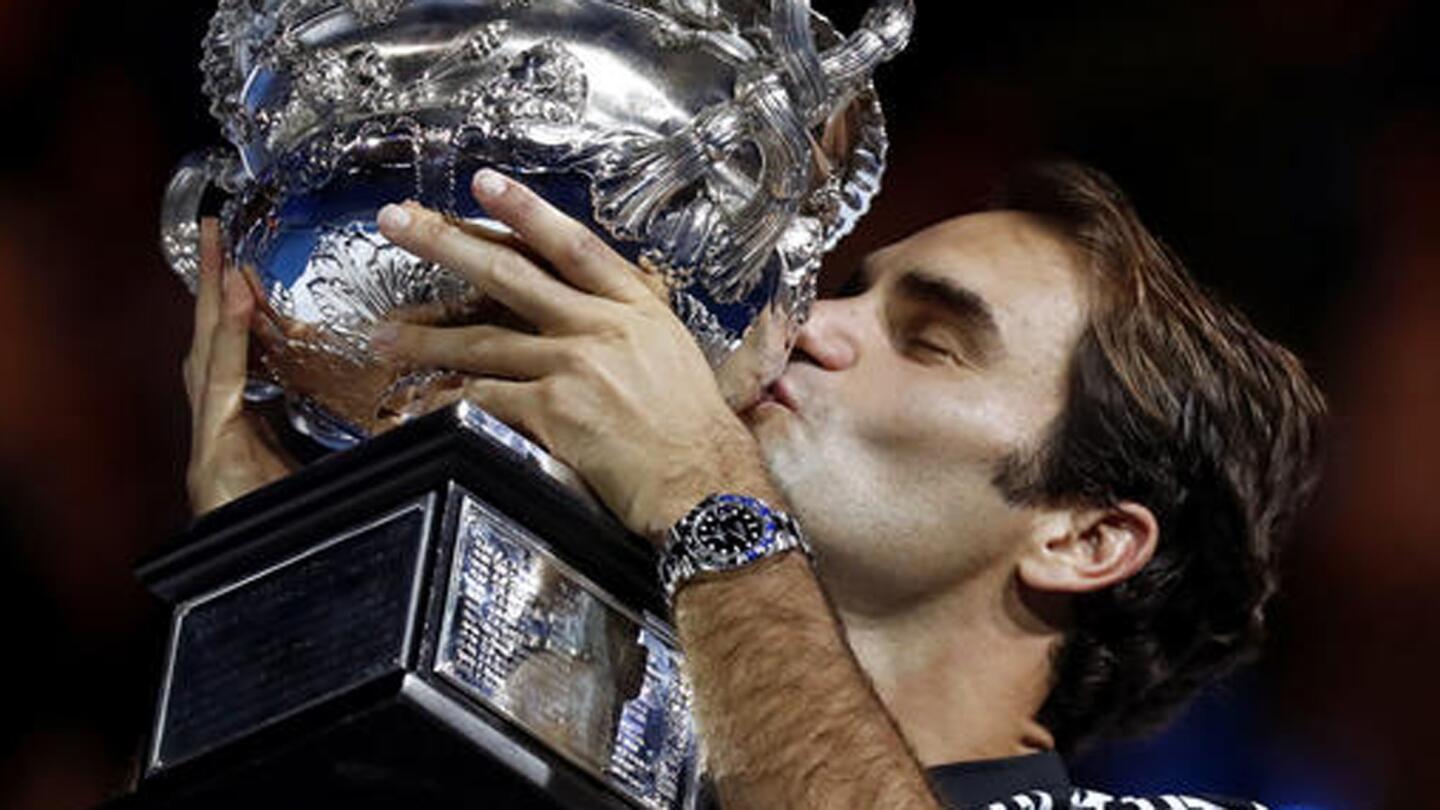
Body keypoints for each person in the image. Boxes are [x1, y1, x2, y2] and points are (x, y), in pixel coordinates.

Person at [183, 160, 1325, 809]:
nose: (811, 326)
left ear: (1085, 538)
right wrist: (294, 602)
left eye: (930, 339)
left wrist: (705, 491)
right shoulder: (549, 760)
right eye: (845, 291)